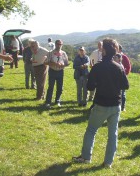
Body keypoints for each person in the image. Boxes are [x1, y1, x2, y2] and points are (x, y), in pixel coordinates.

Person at [72, 38, 129, 168]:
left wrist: (98, 80)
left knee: (91, 130)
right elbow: (125, 85)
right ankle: (108, 162)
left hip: (102, 104)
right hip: (116, 105)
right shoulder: (118, 66)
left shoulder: (98, 67)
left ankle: (86, 157)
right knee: (113, 134)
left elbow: (90, 87)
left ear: (103, 50)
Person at [45, 40, 69, 108]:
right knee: (51, 87)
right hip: (52, 71)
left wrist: (63, 64)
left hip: (60, 71)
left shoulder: (64, 53)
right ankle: (48, 102)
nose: (59, 45)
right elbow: (45, 62)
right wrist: (54, 63)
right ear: (55, 44)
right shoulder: (50, 53)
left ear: (62, 45)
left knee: (60, 87)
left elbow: (66, 63)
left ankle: (57, 101)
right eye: (58, 44)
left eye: (60, 44)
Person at [118, 44, 131, 111]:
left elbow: (128, 67)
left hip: (122, 78)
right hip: (115, 78)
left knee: (122, 93)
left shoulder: (124, 57)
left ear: (120, 49)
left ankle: (123, 107)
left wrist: (124, 74)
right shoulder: (114, 57)